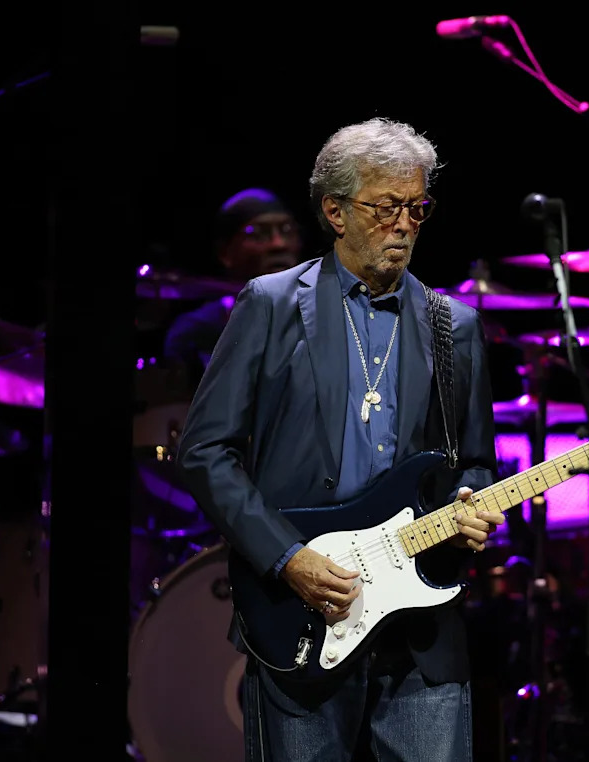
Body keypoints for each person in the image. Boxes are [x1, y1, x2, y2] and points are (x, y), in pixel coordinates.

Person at [176, 116, 504, 761]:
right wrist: (286, 557)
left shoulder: (454, 325)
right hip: (302, 612)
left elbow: (475, 461)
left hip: (421, 624)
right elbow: (204, 450)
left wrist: (473, 500)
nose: (405, 224)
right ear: (335, 210)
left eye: (417, 207)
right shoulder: (270, 305)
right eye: (386, 207)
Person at [161, 187, 304, 383]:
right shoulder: (195, 332)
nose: (278, 244)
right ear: (225, 253)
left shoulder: (327, 312)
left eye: (287, 230)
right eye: (257, 233)